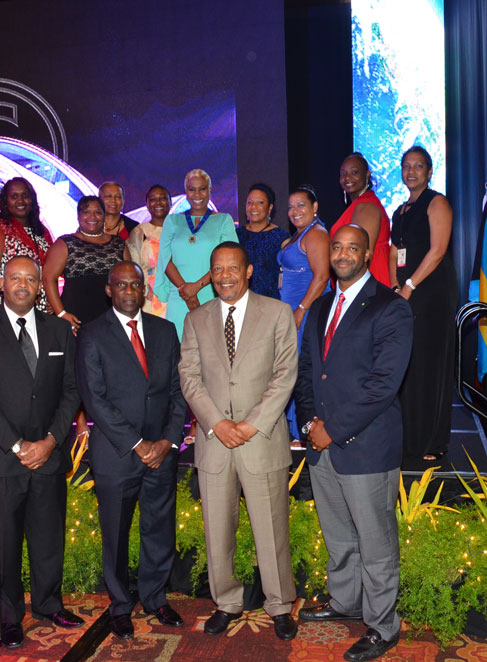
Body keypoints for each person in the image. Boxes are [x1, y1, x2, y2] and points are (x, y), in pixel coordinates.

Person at [295, 224, 413, 662]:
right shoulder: (321, 305)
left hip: (365, 446)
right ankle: (345, 601)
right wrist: (309, 423)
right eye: (337, 247)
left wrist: (333, 429)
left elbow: (383, 385)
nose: (343, 254)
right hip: (321, 445)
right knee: (339, 535)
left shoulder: (390, 308)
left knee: (376, 544)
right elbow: (308, 372)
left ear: (367, 255)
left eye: (353, 248)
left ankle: (383, 626)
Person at [178, 242, 299, 642]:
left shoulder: (277, 312)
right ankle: (227, 602)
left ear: (248, 271)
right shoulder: (196, 319)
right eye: (217, 270)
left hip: (261, 439)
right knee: (217, 532)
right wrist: (217, 423)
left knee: (271, 529)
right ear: (210, 275)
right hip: (214, 442)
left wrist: (249, 425)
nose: (225, 276)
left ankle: (279, 605)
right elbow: (189, 377)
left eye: (233, 268)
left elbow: (285, 374)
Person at [0, 256, 84, 648]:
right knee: (4, 543)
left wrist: (50, 441)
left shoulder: (59, 331)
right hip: (0, 459)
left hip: (48, 457)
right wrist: (16, 445)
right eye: (15, 278)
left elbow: (72, 390)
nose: (23, 285)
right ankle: (8, 616)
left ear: (41, 286)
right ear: (2, 282)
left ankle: (49, 605)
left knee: (48, 540)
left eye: (31, 279)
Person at [76, 261, 187, 640]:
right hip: (117, 454)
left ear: (144, 290)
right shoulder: (92, 334)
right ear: (109, 290)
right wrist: (138, 445)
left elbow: (178, 391)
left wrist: (167, 440)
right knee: (116, 534)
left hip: (162, 453)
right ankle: (121, 605)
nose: (128, 291)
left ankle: (156, 598)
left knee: (159, 529)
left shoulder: (165, 331)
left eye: (135, 285)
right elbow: (95, 399)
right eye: (121, 285)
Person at [389, 146, 458, 463]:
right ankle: (408, 437)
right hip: (406, 292)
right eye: (407, 166)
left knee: (430, 366)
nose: (411, 171)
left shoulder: (437, 202)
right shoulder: (400, 211)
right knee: (409, 365)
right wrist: (395, 286)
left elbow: (438, 250)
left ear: (430, 171)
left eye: (418, 166)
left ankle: (432, 442)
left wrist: (410, 286)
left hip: (432, 293)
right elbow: (395, 251)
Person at [156, 168, 238, 337]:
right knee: (178, 346)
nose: (197, 194)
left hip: (210, 293)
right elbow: (165, 258)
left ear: (210, 190)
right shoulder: (172, 220)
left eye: (202, 189)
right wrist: (186, 291)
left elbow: (229, 261)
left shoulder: (223, 220)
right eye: (192, 189)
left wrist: (196, 287)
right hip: (179, 296)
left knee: (210, 346)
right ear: (186, 192)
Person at [277, 185, 330, 439]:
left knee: (301, 370)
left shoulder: (316, 234)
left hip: (305, 312)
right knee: (291, 367)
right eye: (291, 206)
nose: (295, 211)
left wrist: (301, 309)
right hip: (293, 311)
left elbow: (322, 277)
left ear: (314, 207)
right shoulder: (300, 235)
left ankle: (303, 431)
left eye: (301, 205)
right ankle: (296, 430)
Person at [43, 195, 130, 332]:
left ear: (104, 215)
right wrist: (61, 313)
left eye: (98, 212)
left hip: (113, 318)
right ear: (78, 215)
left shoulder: (118, 243)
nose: (92, 217)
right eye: (87, 212)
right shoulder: (65, 242)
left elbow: (130, 278)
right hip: (76, 321)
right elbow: (48, 278)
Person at [0, 177, 55, 313]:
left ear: (32, 199)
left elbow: (50, 272)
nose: (20, 201)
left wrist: (52, 299)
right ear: (5, 202)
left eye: (25, 195)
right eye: (14, 196)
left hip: (43, 311)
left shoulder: (42, 231)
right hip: (10, 312)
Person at [330, 152, 391, 287]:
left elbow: (360, 256)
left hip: (367, 285)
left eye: (354, 172)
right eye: (343, 174)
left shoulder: (366, 206)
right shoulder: (360, 204)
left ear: (367, 174)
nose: (348, 178)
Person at [236, 183, 289, 299]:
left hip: (270, 301)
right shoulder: (236, 235)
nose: (253, 207)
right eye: (250, 203)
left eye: (260, 203)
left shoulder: (281, 237)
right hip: (241, 299)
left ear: (270, 207)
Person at [126, 184, 171, 317]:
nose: (158, 203)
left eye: (162, 198)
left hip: (178, 295)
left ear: (170, 202)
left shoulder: (181, 230)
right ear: (147, 204)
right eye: (153, 199)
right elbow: (134, 269)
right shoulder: (139, 232)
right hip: (150, 298)